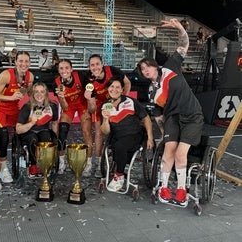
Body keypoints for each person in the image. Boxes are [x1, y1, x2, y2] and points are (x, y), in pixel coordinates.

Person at [136, 18, 204, 206]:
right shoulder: (151, 92)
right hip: (173, 119)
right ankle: (164, 188)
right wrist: (165, 135)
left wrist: (180, 28)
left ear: (155, 65)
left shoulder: (169, 68)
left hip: (192, 116)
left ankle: (181, 190)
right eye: (142, 69)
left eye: (147, 66)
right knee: (168, 150)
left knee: (181, 155)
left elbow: (184, 44)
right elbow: (158, 115)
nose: (145, 70)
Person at [100, 76, 154, 191]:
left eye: (117, 87)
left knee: (120, 146)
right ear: (108, 89)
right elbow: (105, 131)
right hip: (117, 136)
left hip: (134, 134)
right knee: (117, 145)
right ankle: (119, 166)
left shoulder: (131, 101)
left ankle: (119, 176)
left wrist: (150, 137)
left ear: (122, 90)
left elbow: (146, 119)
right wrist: (105, 119)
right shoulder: (105, 106)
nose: (114, 89)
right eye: (112, 87)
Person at [0, 50, 34, 183]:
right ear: (15, 62)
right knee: (3, 135)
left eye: (26, 61)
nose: (23, 64)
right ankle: (3, 168)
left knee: (23, 128)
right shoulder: (6, 75)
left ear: (30, 63)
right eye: (21, 61)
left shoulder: (29, 77)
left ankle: (21, 157)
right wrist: (11, 97)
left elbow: (30, 93)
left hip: (13, 107)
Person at [84, 54, 131, 177]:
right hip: (101, 105)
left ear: (102, 64)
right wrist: (89, 100)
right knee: (99, 132)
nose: (95, 67)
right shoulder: (88, 79)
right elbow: (92, 107)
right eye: (92, 65)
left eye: (97, 64)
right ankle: (100, 164)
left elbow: (127, 82)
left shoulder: (112, 70)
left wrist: (123, 99)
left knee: (120, 129)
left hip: (116, 101)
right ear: (89, 67)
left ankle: (119, 157)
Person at [53, 59, 93, 176]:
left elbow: (90, 88)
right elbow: (64, 106)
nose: (64, 71)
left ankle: (88, 164)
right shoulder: (56, 82)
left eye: (66, 68)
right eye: (61, 68)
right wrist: (61, 96)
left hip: (82, 104)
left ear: (71, 69)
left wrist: (89, 98)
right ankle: (61, 163)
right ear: (58, 70)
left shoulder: (80, 76)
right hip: (68, 106)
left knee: (86, 132)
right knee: (62, 132)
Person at [16, 82, 59, 178]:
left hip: (44, 130)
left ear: (46, 93)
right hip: (28, 131)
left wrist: (55, 140)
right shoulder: (27, 107)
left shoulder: (52, 106)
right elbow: (18, 129)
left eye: (42, 92)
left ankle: (45, 163)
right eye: (36, 92)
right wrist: (31, 122)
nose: (39, 94)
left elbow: (55, 123)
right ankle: (34, 164)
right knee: (33, 139)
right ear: (32, 94)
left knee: (46, 138)